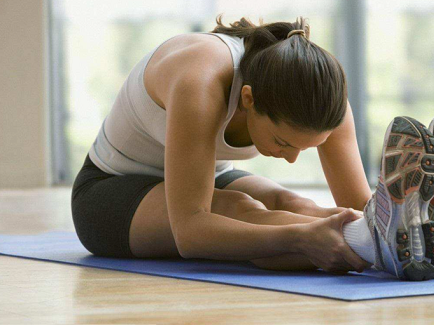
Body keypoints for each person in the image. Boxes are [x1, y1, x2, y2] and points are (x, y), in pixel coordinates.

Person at [71, 15, 373, 276]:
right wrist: (300, 238)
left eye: (303, 148)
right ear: (248, 99)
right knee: (239, 208)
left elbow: (362, 207)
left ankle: (376, 247)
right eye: (283, 142)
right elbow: (190, 233)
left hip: (208, 177)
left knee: (291, 203)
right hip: (107, 192)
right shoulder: (200, 82)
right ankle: (357, 247)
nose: (292, 159)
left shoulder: (322, 99)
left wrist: (380, 226)